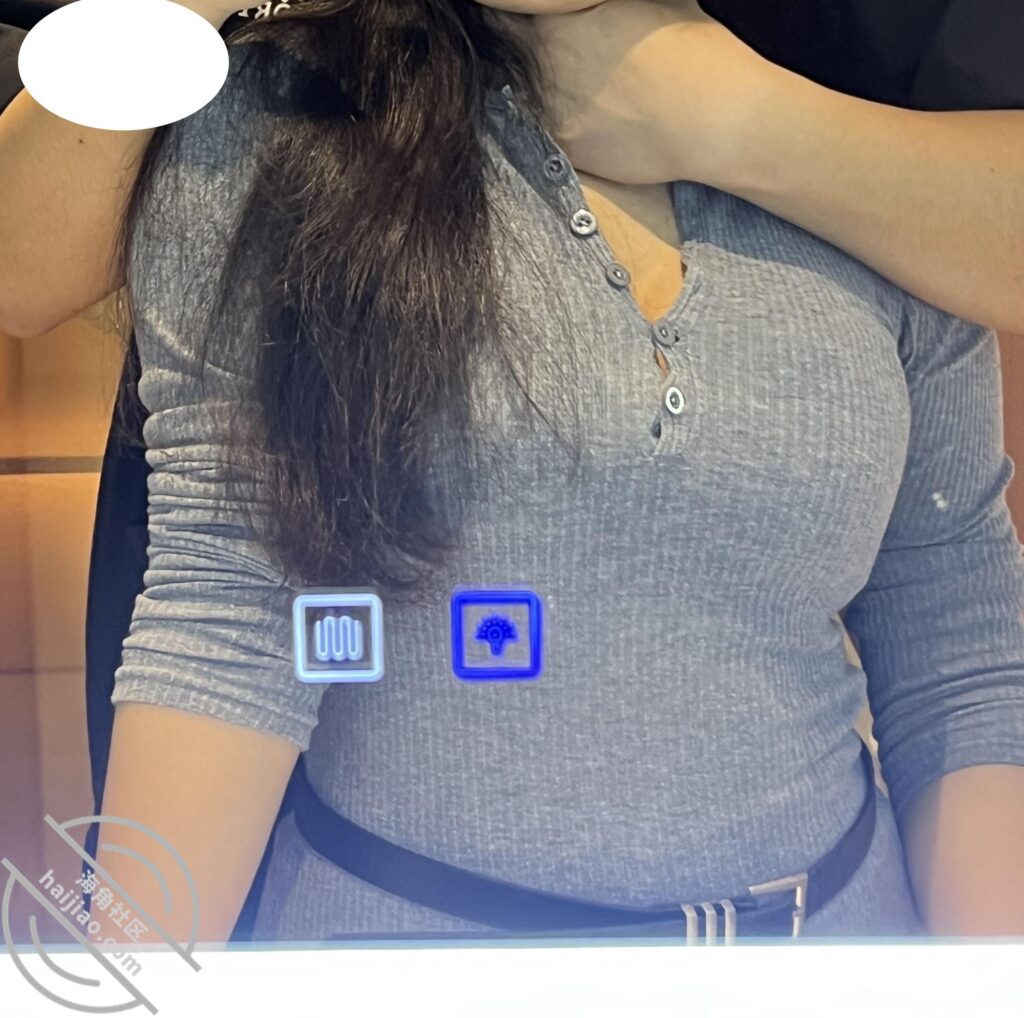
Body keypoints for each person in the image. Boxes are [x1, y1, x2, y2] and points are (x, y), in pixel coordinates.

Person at [1, 0, 1022, 944]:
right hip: (400, 949)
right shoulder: (280, 116)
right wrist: (128, 979)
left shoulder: (870, 142)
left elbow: (960, 641)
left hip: (837, 940)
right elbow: (232, 615)